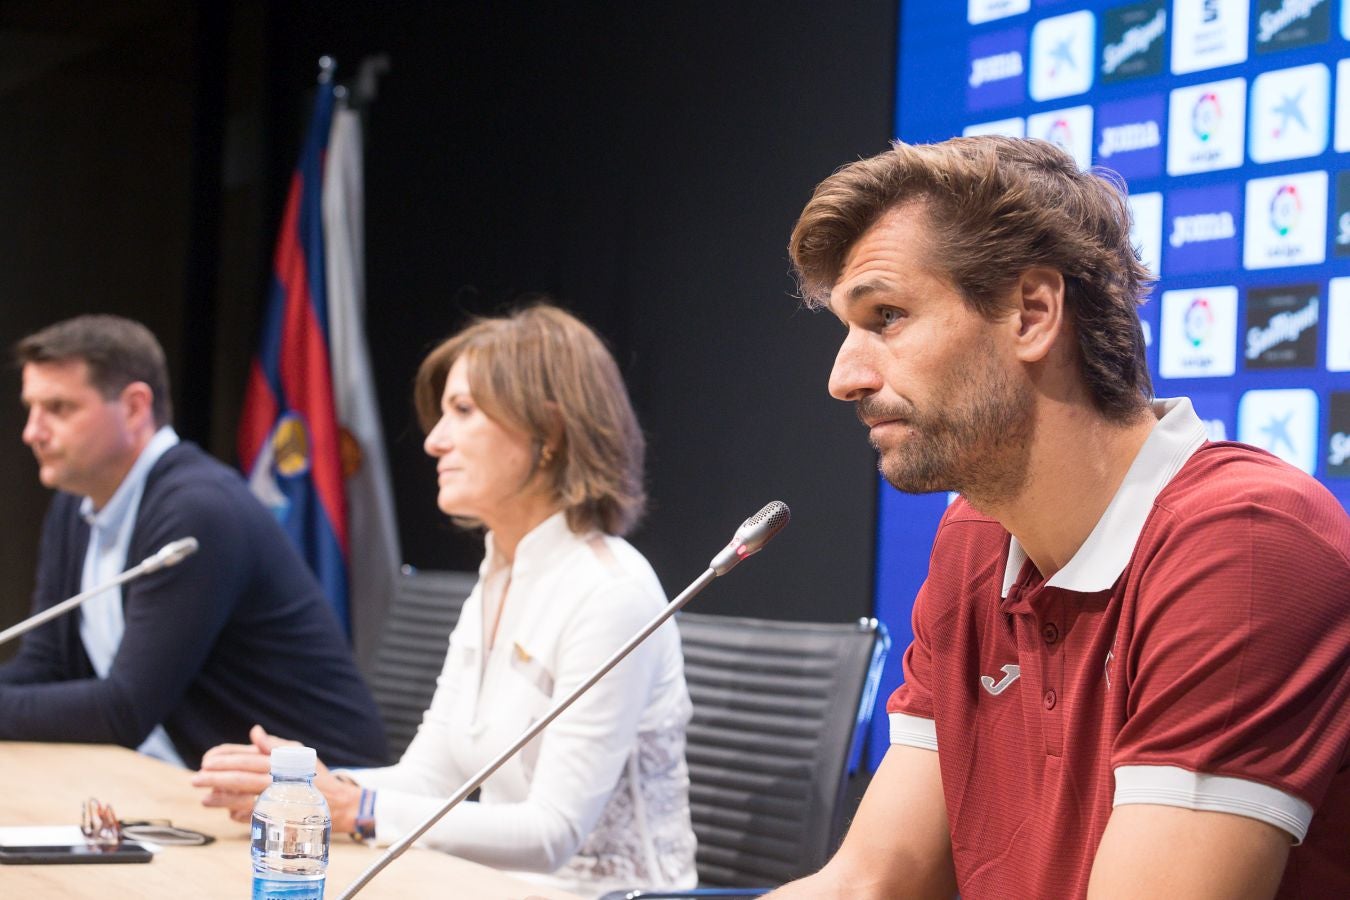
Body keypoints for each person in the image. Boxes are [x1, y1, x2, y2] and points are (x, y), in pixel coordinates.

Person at [768, 137, 1350, 899]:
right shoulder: (973, 540)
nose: (845, 377)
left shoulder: (1248, 542)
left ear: (1033, 313)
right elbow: (872, 882)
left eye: (888, 316)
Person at [194, 303, 697, 896]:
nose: (434, 441)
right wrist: (299, 791)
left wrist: (356, 807)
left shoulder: (610, 593)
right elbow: (431, 776)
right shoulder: (499, 576)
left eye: (462, 412)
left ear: (551, 431)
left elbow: (553, 832)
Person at [1, 314, 388, 770]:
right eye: (32, 408)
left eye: (59, 408)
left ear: (133, 407)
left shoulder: (197, 512)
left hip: (312, 799)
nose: (33, 432)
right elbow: (48, 665)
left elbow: (125, 710)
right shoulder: (77, 506)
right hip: (195, 785)